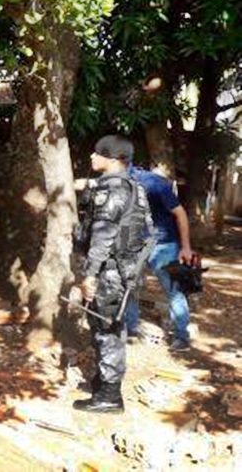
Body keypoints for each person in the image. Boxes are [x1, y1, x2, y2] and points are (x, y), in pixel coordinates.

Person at [72, 135, 153, 414]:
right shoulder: (132, 187)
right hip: (126, 270)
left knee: (107, 330)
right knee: (106, 327)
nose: (92, 157)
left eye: (97, 153)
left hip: (110, 272)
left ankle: (109, 396)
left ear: (113, 159)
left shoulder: (113, 191)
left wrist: (90, 275)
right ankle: (102, 382)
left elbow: (103, 238)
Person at [125, 164, 194, 352]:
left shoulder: (154, 183)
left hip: (163, 244)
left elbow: (180, 214)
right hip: (134, 244)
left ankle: (182, 337)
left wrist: (185, 247)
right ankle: (130, 330)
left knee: (173, 291)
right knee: (130, 287)